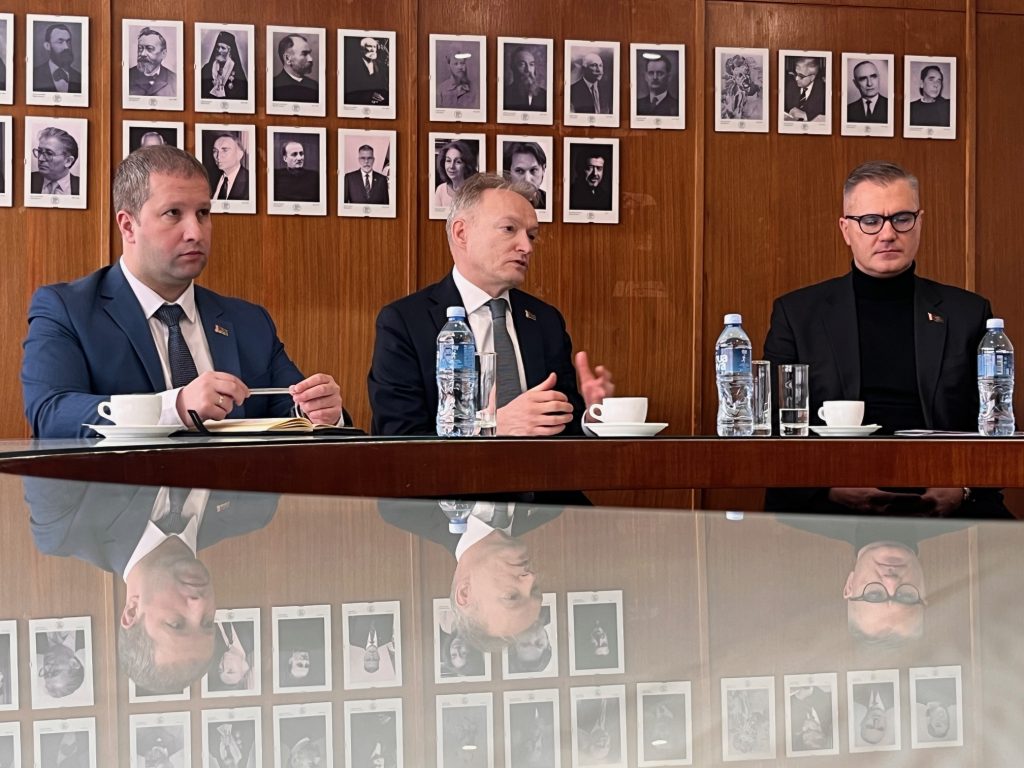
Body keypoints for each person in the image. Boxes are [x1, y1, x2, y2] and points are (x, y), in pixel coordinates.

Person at [22, 145, 344, 438]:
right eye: (173, 213)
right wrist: (175, 407)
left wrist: (321, 413)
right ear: (128, 226)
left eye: (203, 213)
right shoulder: (68, 310)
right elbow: (50, 414)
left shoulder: (250, 322)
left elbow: (292, 413)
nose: (195, 232)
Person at [764, 161, 1009, 518]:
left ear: (919, 223)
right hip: (827, 500)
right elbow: (770, 426)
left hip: (948, 497)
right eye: (870, 221)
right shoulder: (797, 313)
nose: (888, 233)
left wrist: (963, 488)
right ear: (846, 229)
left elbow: (996, 419)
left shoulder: (968, 312)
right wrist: (828, 487)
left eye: (901, 218)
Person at [370, 172, 614, 437]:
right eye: (509, 229)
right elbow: (398, 437)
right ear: (462, 233)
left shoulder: (546, 321)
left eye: (531, 236)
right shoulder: (404, 322)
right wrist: (489, 427)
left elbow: (562, 424)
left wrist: (591, 417)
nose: (527, 247)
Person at [26, 476, 279, 693]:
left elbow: (55, 433)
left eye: (176, 623)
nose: (199, 604)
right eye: (207, 622)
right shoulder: (254, 507)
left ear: (132, 612)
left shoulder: (62, 527)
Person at [32, 22, 82, 93]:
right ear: (47, 46)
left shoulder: (79, 77)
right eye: (60, 42)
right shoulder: (34, 75)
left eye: (68, 42)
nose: (66, 47)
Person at [30, 126, 80, 195]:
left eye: (49, 153)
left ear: (68, 161)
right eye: (40, 151)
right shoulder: (28, 180)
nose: (40, 158)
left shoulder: (82, 186)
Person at [128, 27, 176, 98]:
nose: (143, 54)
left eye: (150, 48)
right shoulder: (128, 76)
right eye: (140, 48)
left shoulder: (175, 80)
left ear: (163, 53)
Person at [200, 30, 248, 101]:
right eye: (218, 47)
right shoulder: (207, 68)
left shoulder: (238, 71)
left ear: (229, 50)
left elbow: (242, 94)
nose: (219, 50)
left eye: (223, 48)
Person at [431, 139, 477, 209]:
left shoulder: (474, 191)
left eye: (458, 162)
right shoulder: (440, 190)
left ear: (466, 165)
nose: (451, 166)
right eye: (448, 160)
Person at [273, 34, 317, 103]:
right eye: (304, 54)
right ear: (287, 59)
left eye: (309, 53)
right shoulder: (273, 86)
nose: (310, 59)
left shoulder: (315, 86)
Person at [344, 36, 388, 106]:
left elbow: (383, 86)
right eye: (369, 46)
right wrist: (369, 96)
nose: (373, 50)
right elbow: (350, 91)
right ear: (361, 49)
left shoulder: (380, 65)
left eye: (374, 47)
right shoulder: (352, 66)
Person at [502, 141, 547, 210]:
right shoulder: (500, 203)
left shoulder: (549, 201)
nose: (527, 179)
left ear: (543, 170)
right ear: (508, 173)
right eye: (519, 171)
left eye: (533, 170)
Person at [789, 686, 833, 751]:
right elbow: (816, 691)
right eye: (808, 730)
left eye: (803, 732)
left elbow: (789, 702)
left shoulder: (796, 726)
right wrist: (808, 690)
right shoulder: (828, 713)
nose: (803, 728)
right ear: (819, 729)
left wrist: (798, 697)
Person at [782, 56, 826, 122]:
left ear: (812, 77)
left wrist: (806, 115)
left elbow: (829, 117)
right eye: (796, 74)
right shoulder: (789, 84)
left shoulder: (824, 91)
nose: (796, 78)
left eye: (801, 76)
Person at [503, 46, 547, 112]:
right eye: (522, 64)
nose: (528, 70)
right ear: (513, 67)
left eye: (531, 64)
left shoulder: (544, 95)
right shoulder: (505, 94)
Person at [209, 133, 249, 201]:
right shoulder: (210, 177)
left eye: (225, 150)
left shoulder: (250, 181)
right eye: (215, 151)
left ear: (239, 154)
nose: (218, 156)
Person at [721, 54, 761, 119]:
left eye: (747, 74)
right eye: (740, 75)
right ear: (734, 77)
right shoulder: (730, 95)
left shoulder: (748, 94)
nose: (745, 77)